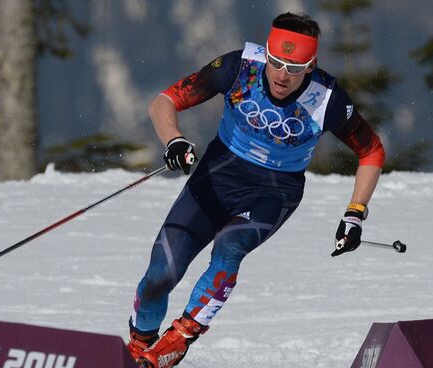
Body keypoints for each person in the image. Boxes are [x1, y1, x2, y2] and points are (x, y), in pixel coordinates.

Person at [128, 12, 385, 368]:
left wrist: (355, 213)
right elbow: (164, 101)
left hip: (274, 191)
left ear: (311, 66)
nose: (282, 75)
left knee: (229, 248)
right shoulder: (237, 67)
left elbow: (371, 151)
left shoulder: (329, 100)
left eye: (294, 68)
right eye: (277, 62)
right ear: (266, 52)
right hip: (217, 175)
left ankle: (182, 336)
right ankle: (139, 345)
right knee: (161, 275)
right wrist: (174, 140)